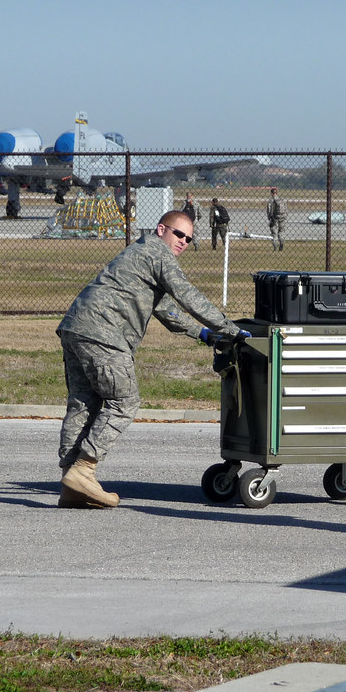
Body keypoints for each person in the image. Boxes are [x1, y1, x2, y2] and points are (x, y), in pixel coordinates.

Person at [55, 209, 246, 509]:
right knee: (125, 402)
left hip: (76, 327)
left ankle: (71, 482)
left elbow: (167, 310)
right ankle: (84, 469)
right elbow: (187, 295)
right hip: (105, 333)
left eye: (189, 239)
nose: (183, 242)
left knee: (83, 403)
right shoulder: (158, 253)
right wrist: (231, 330)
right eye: (178, 234)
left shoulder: (140, 256)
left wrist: (204, 334)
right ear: (161, 229)